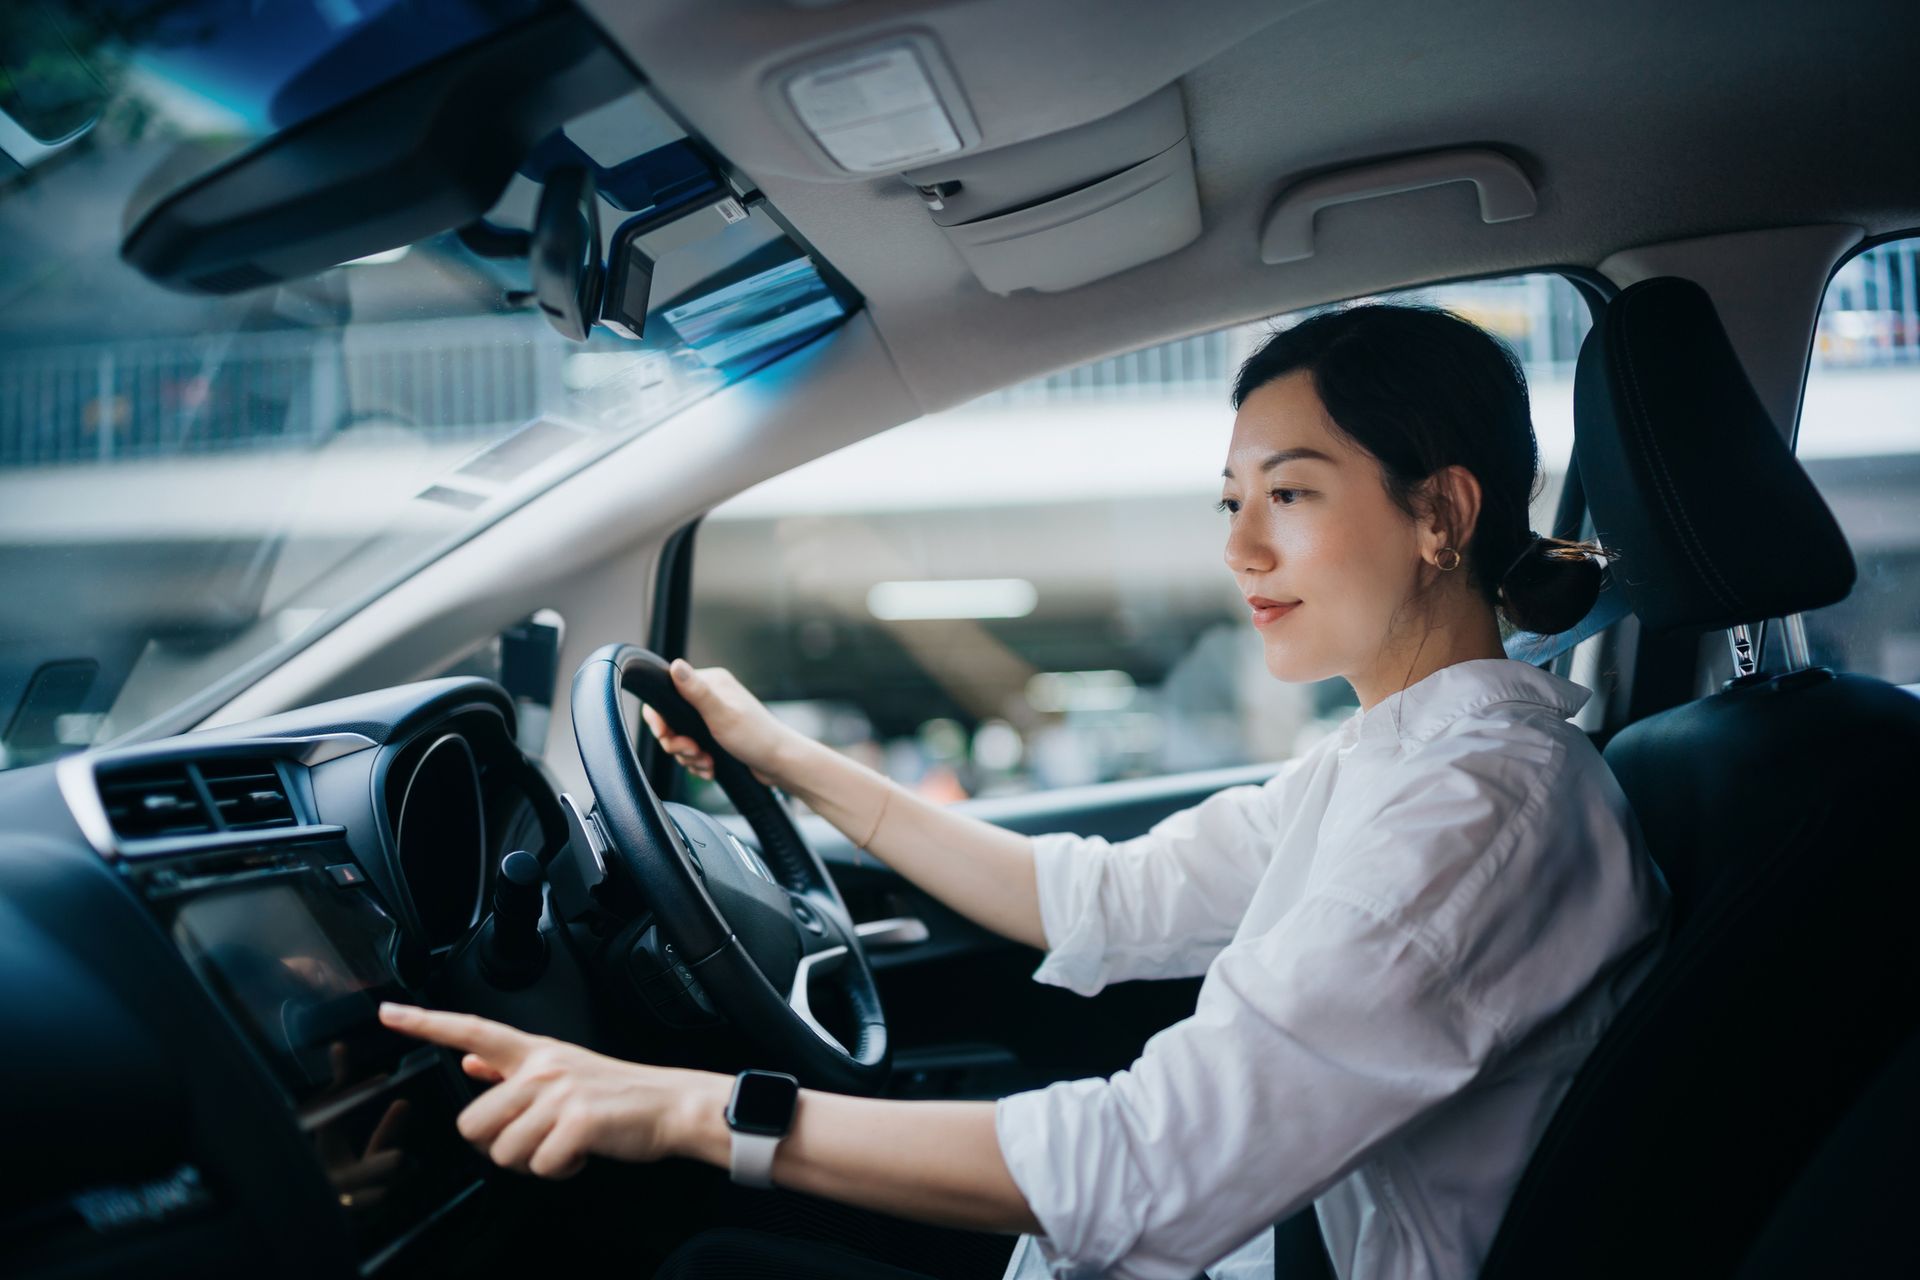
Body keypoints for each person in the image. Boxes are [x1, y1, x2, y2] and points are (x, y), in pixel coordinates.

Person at [380, 304, 1671, 1280]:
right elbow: (1098, 897)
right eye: (1233, 501)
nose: (1238, 549)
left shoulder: (1471, 815)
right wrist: (784, 758)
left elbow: (1157, 1165)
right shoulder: (1392, 763)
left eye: (1290, 495)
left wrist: (682, 1108)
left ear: (1440, 513)